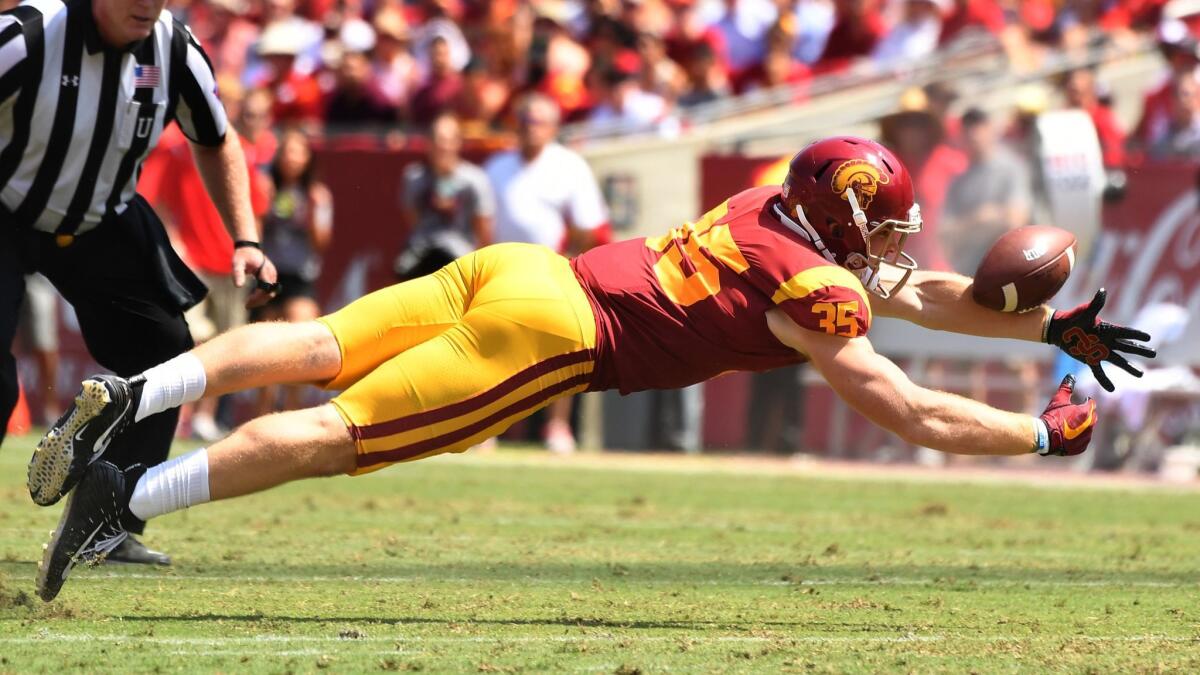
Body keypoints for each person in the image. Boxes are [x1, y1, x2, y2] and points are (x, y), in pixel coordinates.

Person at [32, 137, 1155, 602]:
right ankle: (122, 493)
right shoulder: (817, 289)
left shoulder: (770, 201)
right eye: (884, 230)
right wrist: (1037, 436)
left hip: (521, 271)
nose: (896, 251)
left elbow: (916, 290)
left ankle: (140, 393)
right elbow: (906, 407)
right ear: (844, 226)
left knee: (324, 344)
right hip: (558, 338)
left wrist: (1047, 333)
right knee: (341, 434)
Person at [1, 0, 277, 566]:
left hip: (101, 221)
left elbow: (215, 138)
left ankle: (110, 522)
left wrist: (245, 238)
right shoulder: (27, 35)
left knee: (165, 353)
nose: (148, 3)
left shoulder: (174, 46)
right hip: (3, 212)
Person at [485, 94, 609, 454]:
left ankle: (557, 426)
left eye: (538, 121)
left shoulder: (569, 166)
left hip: (552, 268)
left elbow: (590, 223)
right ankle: (488, 425)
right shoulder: (498, 167)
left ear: (553, 128)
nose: (530, 128)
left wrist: (566, 260)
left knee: (561, 347)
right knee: (495, 348)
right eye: (524, 121)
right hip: (502, 269)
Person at [254, 130, 333, 414]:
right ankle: (262, 413)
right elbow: (255, 232)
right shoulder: (267, 187)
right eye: (287, 151)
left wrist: (312, 215)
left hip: (300, 277)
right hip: (271, 277)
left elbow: (321, 243)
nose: (292, 158)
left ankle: (291, 410)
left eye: (298, 152)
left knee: (301, 343)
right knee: (267, 354)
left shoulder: (317, 195)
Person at [394, 113, 494, 282]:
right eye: (438, 139)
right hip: (422, 252)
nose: (443, 146)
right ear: (429, 143)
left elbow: (483, 227)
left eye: (448, 140)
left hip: (460, 254)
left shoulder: (474, 180)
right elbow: (411, 217)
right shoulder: (415, 177)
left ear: (458, 143)